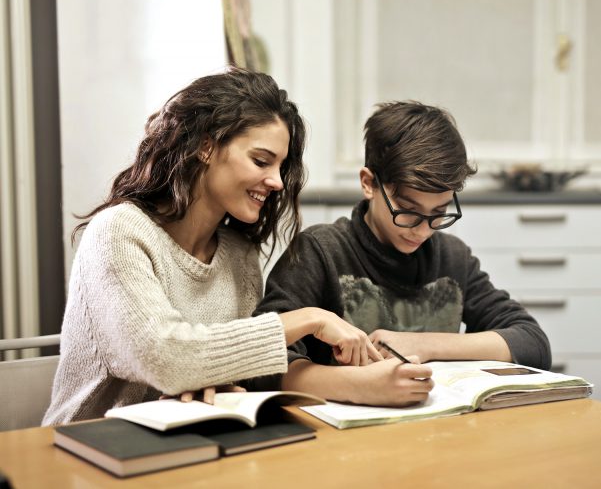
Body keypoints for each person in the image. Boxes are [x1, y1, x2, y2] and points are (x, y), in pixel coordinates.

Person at [44, 68, 379, 425]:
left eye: (281, 167)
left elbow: (222, 373)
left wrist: (216, 385)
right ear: (206, 145)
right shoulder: (118, 233)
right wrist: (310, 318)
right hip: (87, 451)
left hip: (190, 447)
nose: (277, 182)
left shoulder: (239, 254)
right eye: (262, 161)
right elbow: (166, 358)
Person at [256, 101, 552, 407]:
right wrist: (358, 385)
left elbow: (532, 342)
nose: (423, 231)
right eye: (408, 212)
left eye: (438, 213)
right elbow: (260, 362)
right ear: (368, 183)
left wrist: (423, 344)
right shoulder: (320, 252)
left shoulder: (452, 257)